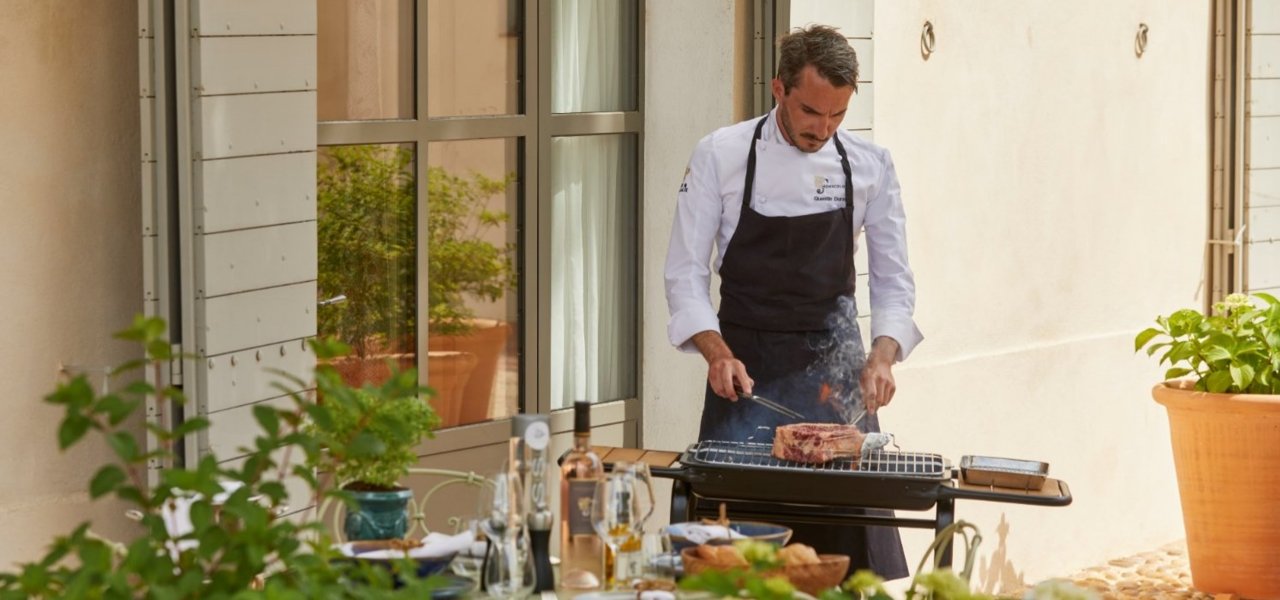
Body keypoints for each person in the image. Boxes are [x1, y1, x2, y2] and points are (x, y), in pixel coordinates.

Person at [663, 25, 923, 579]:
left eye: (837, 116)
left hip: (836, 370)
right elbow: (684, 275)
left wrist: (882, 356)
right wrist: (716, 353)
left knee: (850, 566)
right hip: (745, 369)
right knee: (736, 560)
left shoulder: (871, 165)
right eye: (810, 112)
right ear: (779, 88)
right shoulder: (721, 154)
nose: (822, 129)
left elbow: (894, 279)